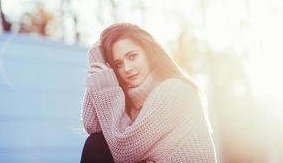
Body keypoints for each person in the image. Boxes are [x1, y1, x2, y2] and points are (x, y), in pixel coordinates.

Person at [80, 23, 217, 163]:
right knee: (97, 143)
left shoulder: (175, 90)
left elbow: (124, 153)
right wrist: (98, 62)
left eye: (132, 57)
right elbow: (93, 126)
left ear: (149, 54)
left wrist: (105, 87)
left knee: (97, 145)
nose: (127, 68)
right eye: (118, 65)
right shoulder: (131, 102)